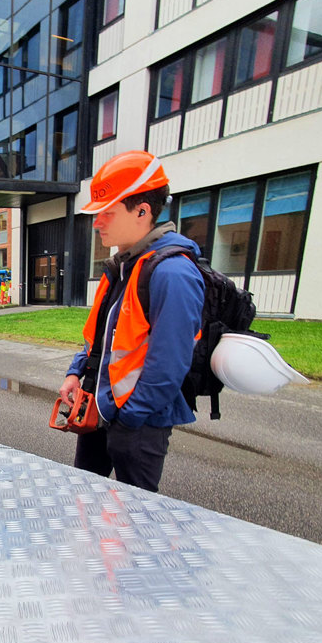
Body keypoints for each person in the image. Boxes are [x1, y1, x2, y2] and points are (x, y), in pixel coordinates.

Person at [59, 150, 204, 492]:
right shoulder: (122, 266)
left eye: (107, 213)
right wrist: (75, 372)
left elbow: (169, 364)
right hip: (100, 410)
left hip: (136, 423)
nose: (97, 223)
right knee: (86, 497)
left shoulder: (172, 272)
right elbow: (101, 339)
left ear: (143, 211)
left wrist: (130, 418)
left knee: (135, 519)